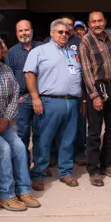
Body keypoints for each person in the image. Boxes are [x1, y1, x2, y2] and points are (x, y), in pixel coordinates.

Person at [0, 37, 41, 212]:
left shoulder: (6, 70)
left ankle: (24, 191)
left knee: (19, 147)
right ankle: (5, 195)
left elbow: (14, 95)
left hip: (4, 121)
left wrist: (6, 118)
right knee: (4, 149)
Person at [23, 19, 82, 191]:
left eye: (66, 32)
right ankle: (39, 174)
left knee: (68, 140)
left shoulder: (73, 52)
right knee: (44, 140)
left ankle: (65, 172)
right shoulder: (39, 51)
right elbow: (29, 75)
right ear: (52, 33)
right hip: (50, 101)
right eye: (60, 32)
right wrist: (35, 97)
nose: (64, 35)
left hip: (72, 101)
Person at [79, 11, 111, 187]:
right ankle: (94, 170)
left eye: (100, 21)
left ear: (105, 21)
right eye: (93, 22)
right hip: (96, 88)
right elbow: (86, 70)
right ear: (89, 24)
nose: (97, 24)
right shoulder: (85, 41)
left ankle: (107, 164)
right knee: (94, 133)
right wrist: (94, 95)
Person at [5, 20, 43, 164]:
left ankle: (40, 167)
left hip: (41, 97)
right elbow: (9, 78)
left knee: (41, 133)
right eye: (20, 31)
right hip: (22, 100)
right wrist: (16, 98)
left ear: (32, 31)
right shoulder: (12, 52)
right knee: (22, 134)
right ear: (16, 34)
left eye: (26, 30)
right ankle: (24, 165)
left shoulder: (42, 48)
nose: (24, 33)